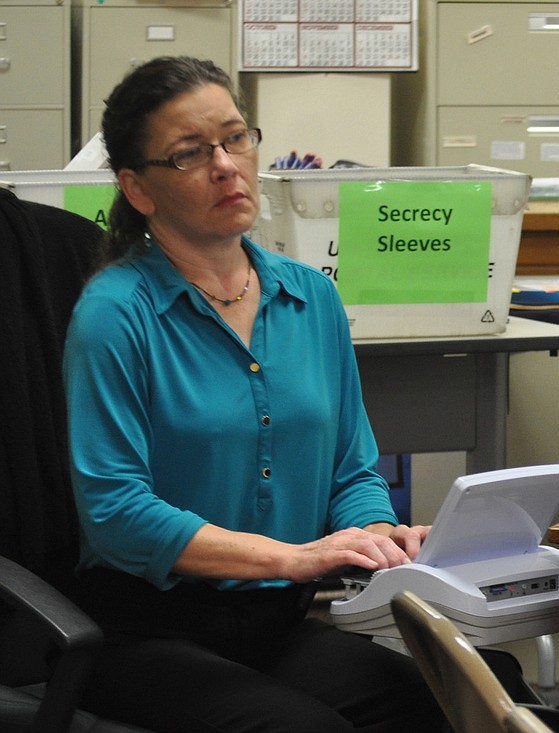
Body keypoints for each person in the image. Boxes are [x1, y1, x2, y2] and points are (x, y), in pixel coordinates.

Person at [62, 56, 449, 732]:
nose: (225, 164)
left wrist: (379, 537)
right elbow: (116, 513)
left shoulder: (312, 296)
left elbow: (352, 468)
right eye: (190, 153)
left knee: (450, 698)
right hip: (145, 628)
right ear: (139, 189)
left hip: (275, 620)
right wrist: (297, 558)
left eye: (236, 138)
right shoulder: (115, 311)